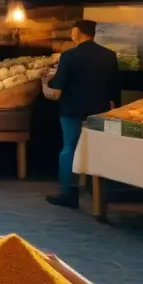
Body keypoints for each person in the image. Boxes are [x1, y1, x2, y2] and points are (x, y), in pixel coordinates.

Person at [46, 19, 120, 209]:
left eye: (73, 31)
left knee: (69, 148)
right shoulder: (109, 55)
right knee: (97, 150)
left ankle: (68, 192)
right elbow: (114, 87)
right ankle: (99, 192)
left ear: (77, 33)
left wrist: (47, 79)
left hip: (72, 110)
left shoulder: (69, 56)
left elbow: (58, 84)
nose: (71, 34)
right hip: (99, 111)